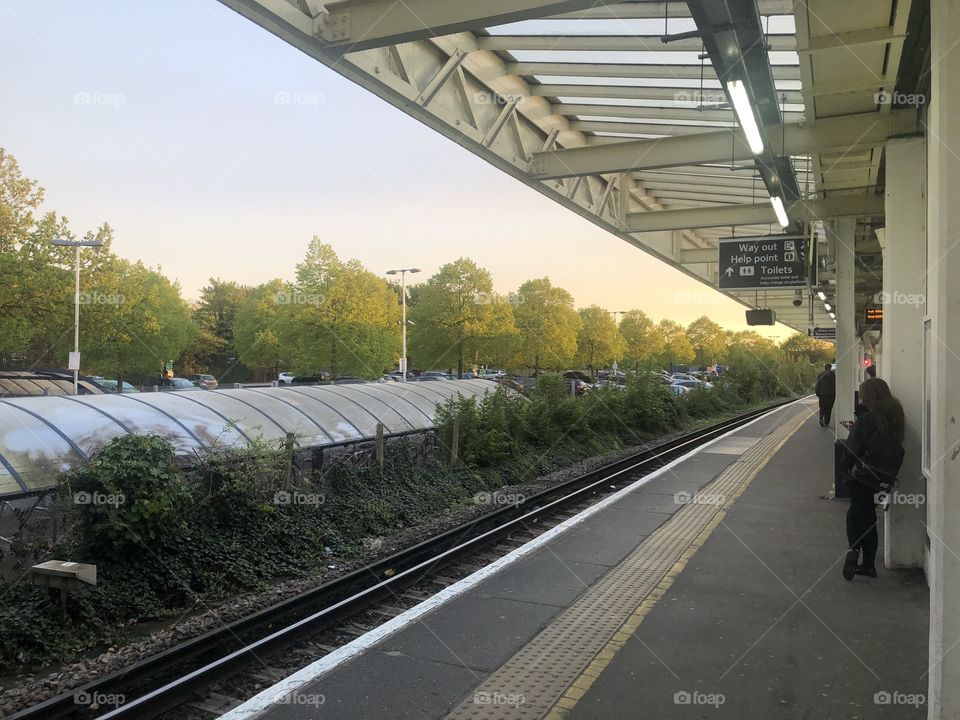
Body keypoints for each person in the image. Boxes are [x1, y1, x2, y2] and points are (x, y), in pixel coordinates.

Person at [835, 378, 905, 580]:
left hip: (862, 475)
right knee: (864, 515)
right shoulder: (895, 415)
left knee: (859, 518)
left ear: (869, 395)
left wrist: (845, 468)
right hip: (883, 477)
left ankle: (857, 555)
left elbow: (853, 448)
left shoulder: (867, 417)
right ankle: (862, 560)